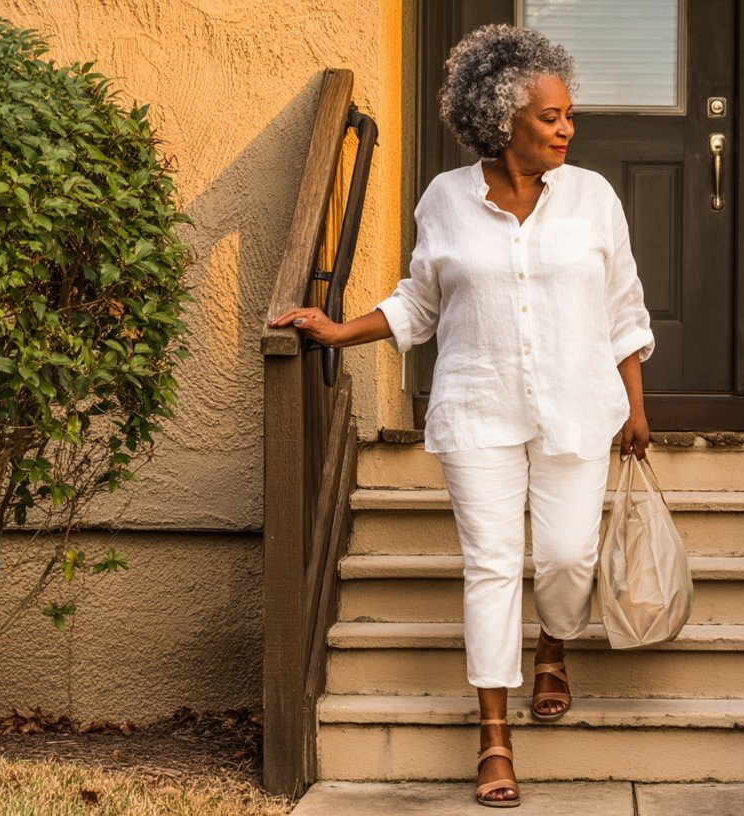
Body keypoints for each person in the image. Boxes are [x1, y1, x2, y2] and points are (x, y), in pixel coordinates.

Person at [268, 23, 655, 808]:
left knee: (567, 559)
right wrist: (341, 329)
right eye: (550, 117)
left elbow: (623, 308)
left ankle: (553, 644)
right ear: (501, 117)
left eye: (568, 114)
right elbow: (421, 299)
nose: (566, 129)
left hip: (581, 408)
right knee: (488, 566)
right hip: (478, 407)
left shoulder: (594, 200)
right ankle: (494, 738)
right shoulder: (446, 199)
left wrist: (636, 407)